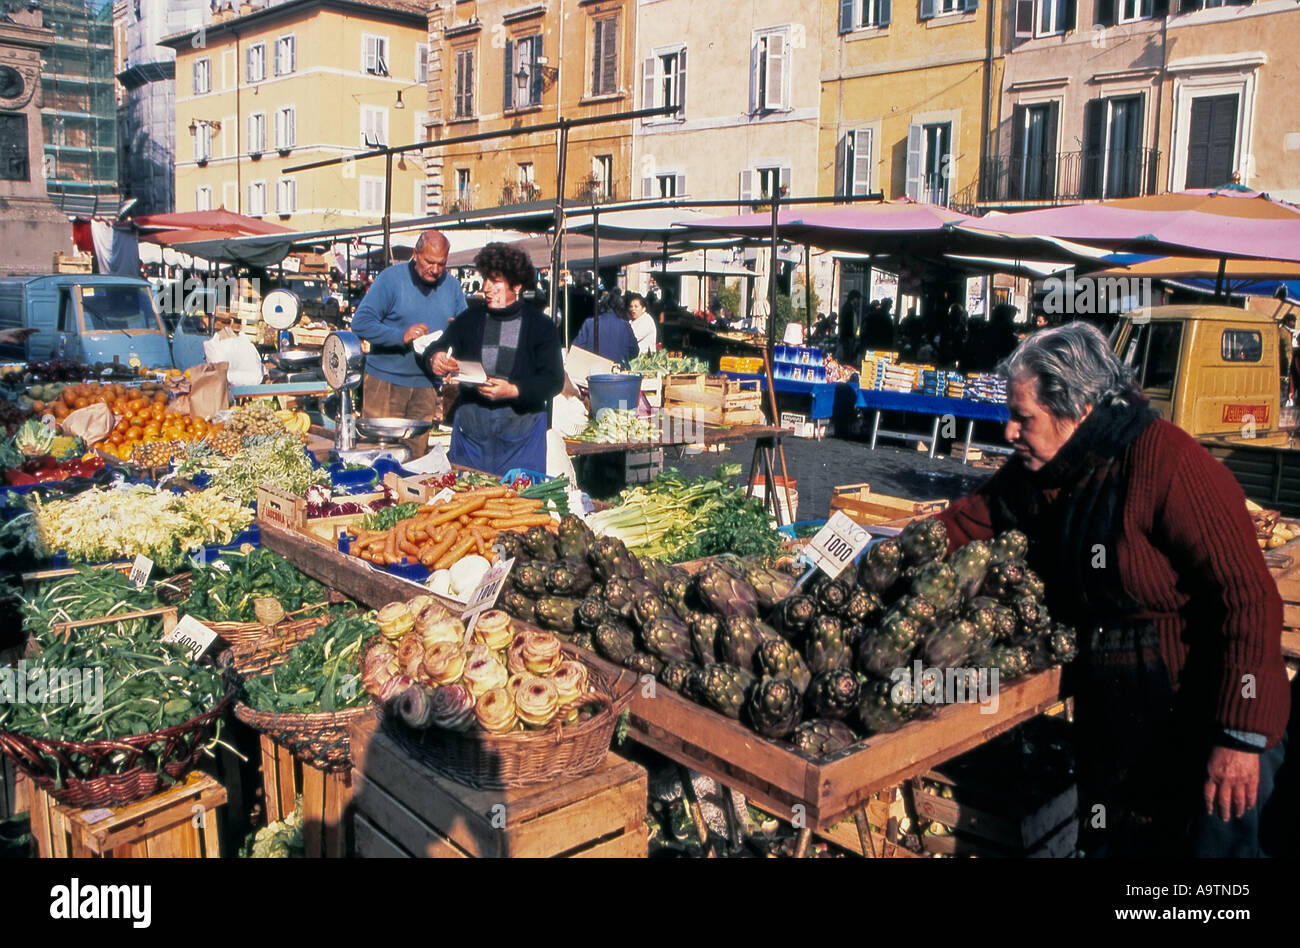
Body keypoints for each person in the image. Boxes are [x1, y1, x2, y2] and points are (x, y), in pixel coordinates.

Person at [935, 323, 1289, 857]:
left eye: (1022, 417)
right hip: (1122, 730)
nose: (1008, 431)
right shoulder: (1046, 471)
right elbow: (969, 523)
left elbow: (1247, 599)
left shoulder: (1167, 462)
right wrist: (881, 561)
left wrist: (1238, 736)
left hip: (1206, 729)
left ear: (1077, 408)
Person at [422, 243, 563, 476]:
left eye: (495, 281)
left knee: (518, 500)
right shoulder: (469, 319)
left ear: (516, 285)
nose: (486, 288)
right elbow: (437, 347)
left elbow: (553, 380)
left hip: (521, 434)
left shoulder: (540, 326)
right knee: (465, 497)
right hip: (472, 431)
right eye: (486, 278)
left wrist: (514, 390)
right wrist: (435, 358)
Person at [350, 230, 467, 456]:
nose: (434, 269)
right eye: (429, 262)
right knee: (379, 454)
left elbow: (464, 327)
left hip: (426, 386)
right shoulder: (390, 279)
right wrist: (400, 336)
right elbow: (361, 323)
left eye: (441, 264)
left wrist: (458, 342)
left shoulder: (452, 287)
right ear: (415, 254)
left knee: (414, 457)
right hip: (385, 383)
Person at [572, 289, 638, 365]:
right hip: (619, 371)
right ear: (619, 307)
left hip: (594, 371)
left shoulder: (589, 323)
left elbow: (577, 348)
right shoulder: (625, 325)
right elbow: (634, 351)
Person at [626, 292, 657, 357]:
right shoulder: (632, 321)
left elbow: (633, 338)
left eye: (636, 306)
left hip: (644, 358)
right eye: (631, 306)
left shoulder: (646, 320)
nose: (633, 309)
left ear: (643, 309)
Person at [838, 290, 861, 362]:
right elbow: (846, 324)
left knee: (848, 357)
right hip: (847, 338)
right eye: (858, 299)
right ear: (854, 298)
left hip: (849, 337)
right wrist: (851, 336)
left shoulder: (851, 308)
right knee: (847, 358)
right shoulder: (848, 308)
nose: (858, 301)